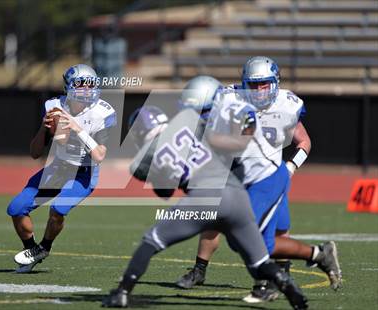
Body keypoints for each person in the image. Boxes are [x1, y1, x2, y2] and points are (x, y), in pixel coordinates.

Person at [102, 78, 308, 309]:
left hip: (204, 199)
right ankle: (288, 286)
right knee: (258, 260)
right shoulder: (194, 124)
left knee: (151, 241)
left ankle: (122, 292)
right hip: (236, 194)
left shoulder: (145, 159)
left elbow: (165, 192)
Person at [176, 57, 342, 302]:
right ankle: (202, 270)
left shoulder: (288, 105)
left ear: (275, 82)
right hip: (234, 174)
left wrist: (290, 167)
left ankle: (277, 278)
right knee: (220, 224)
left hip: (271, 177)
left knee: (276, 230)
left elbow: (304, 141)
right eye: (253, 85)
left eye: (264, 84)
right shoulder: (230, 98)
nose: (259, 90)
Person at [7, 64, 116, 273]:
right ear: (68, 87)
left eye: (90, 85)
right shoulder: (54, 107)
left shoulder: (103, 112)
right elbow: (35, 152)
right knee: (16, 208)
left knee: (58, 210)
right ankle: (31, 252)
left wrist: (78, 129)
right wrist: (44, 127)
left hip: (84, 173)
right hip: (58, 169)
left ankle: (45, 247)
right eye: (81, 85)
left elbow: (99, 155)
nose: (86, 90)